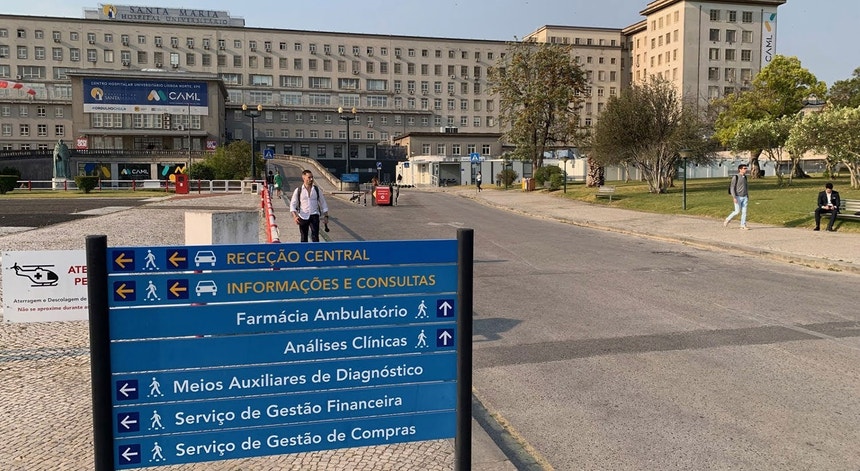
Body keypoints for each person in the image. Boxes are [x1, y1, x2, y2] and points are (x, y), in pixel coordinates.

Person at [289, 169, 329, 242]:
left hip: (314, 215)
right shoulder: (298, 190)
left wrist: (326, 216)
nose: (311, 179)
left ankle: (315, 249)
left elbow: (323, 203)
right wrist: (295, 216)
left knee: (315, 237)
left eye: (312, 177)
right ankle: (304, 249)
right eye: (309, 177)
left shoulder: (316, 189)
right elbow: (292, 204)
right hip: (303, 216)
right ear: (303, 178)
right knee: (303, 237)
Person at [724, 164, 749, 230]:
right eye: (744, 168)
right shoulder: (736, 177)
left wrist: (747, 195)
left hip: (745, 196)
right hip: (738, 197)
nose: (745, 169)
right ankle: (728, 219)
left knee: (744, 212)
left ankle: (743, 225)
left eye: (746, 168)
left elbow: (746, 187)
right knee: (737, 211)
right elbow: (732, 187)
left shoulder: (745, 177)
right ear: (740, 169)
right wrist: (734, 197)